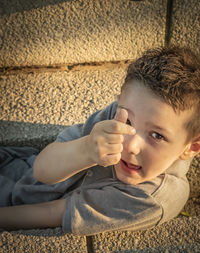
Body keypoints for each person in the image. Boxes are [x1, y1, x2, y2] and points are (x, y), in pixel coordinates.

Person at [0, 46, 199, 235]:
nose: (130, 145)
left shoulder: (153, 198)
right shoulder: (116, 115)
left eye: (157, 135)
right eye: (128, 121)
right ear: (119, 100)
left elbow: (52, 213)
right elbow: (41, 170)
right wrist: (87, 149)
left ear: (192, 147)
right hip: (16, 168)